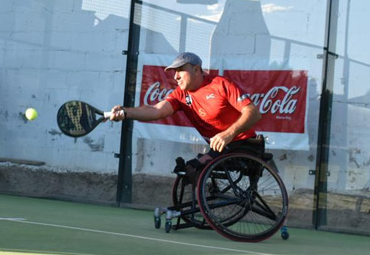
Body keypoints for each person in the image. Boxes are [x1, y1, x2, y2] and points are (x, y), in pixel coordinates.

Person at [109, 52, 263, 183]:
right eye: (174, 72)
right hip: (220, 149)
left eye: (180, 70)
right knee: (186, 170)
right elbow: (156, 111)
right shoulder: (181, 94)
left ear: (196, 70)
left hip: (243, 145)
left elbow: (253, 112)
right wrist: (125, 113)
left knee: (194, 168)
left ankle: (206, 210)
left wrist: (227, 135)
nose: (175, 77)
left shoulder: (220, 84)